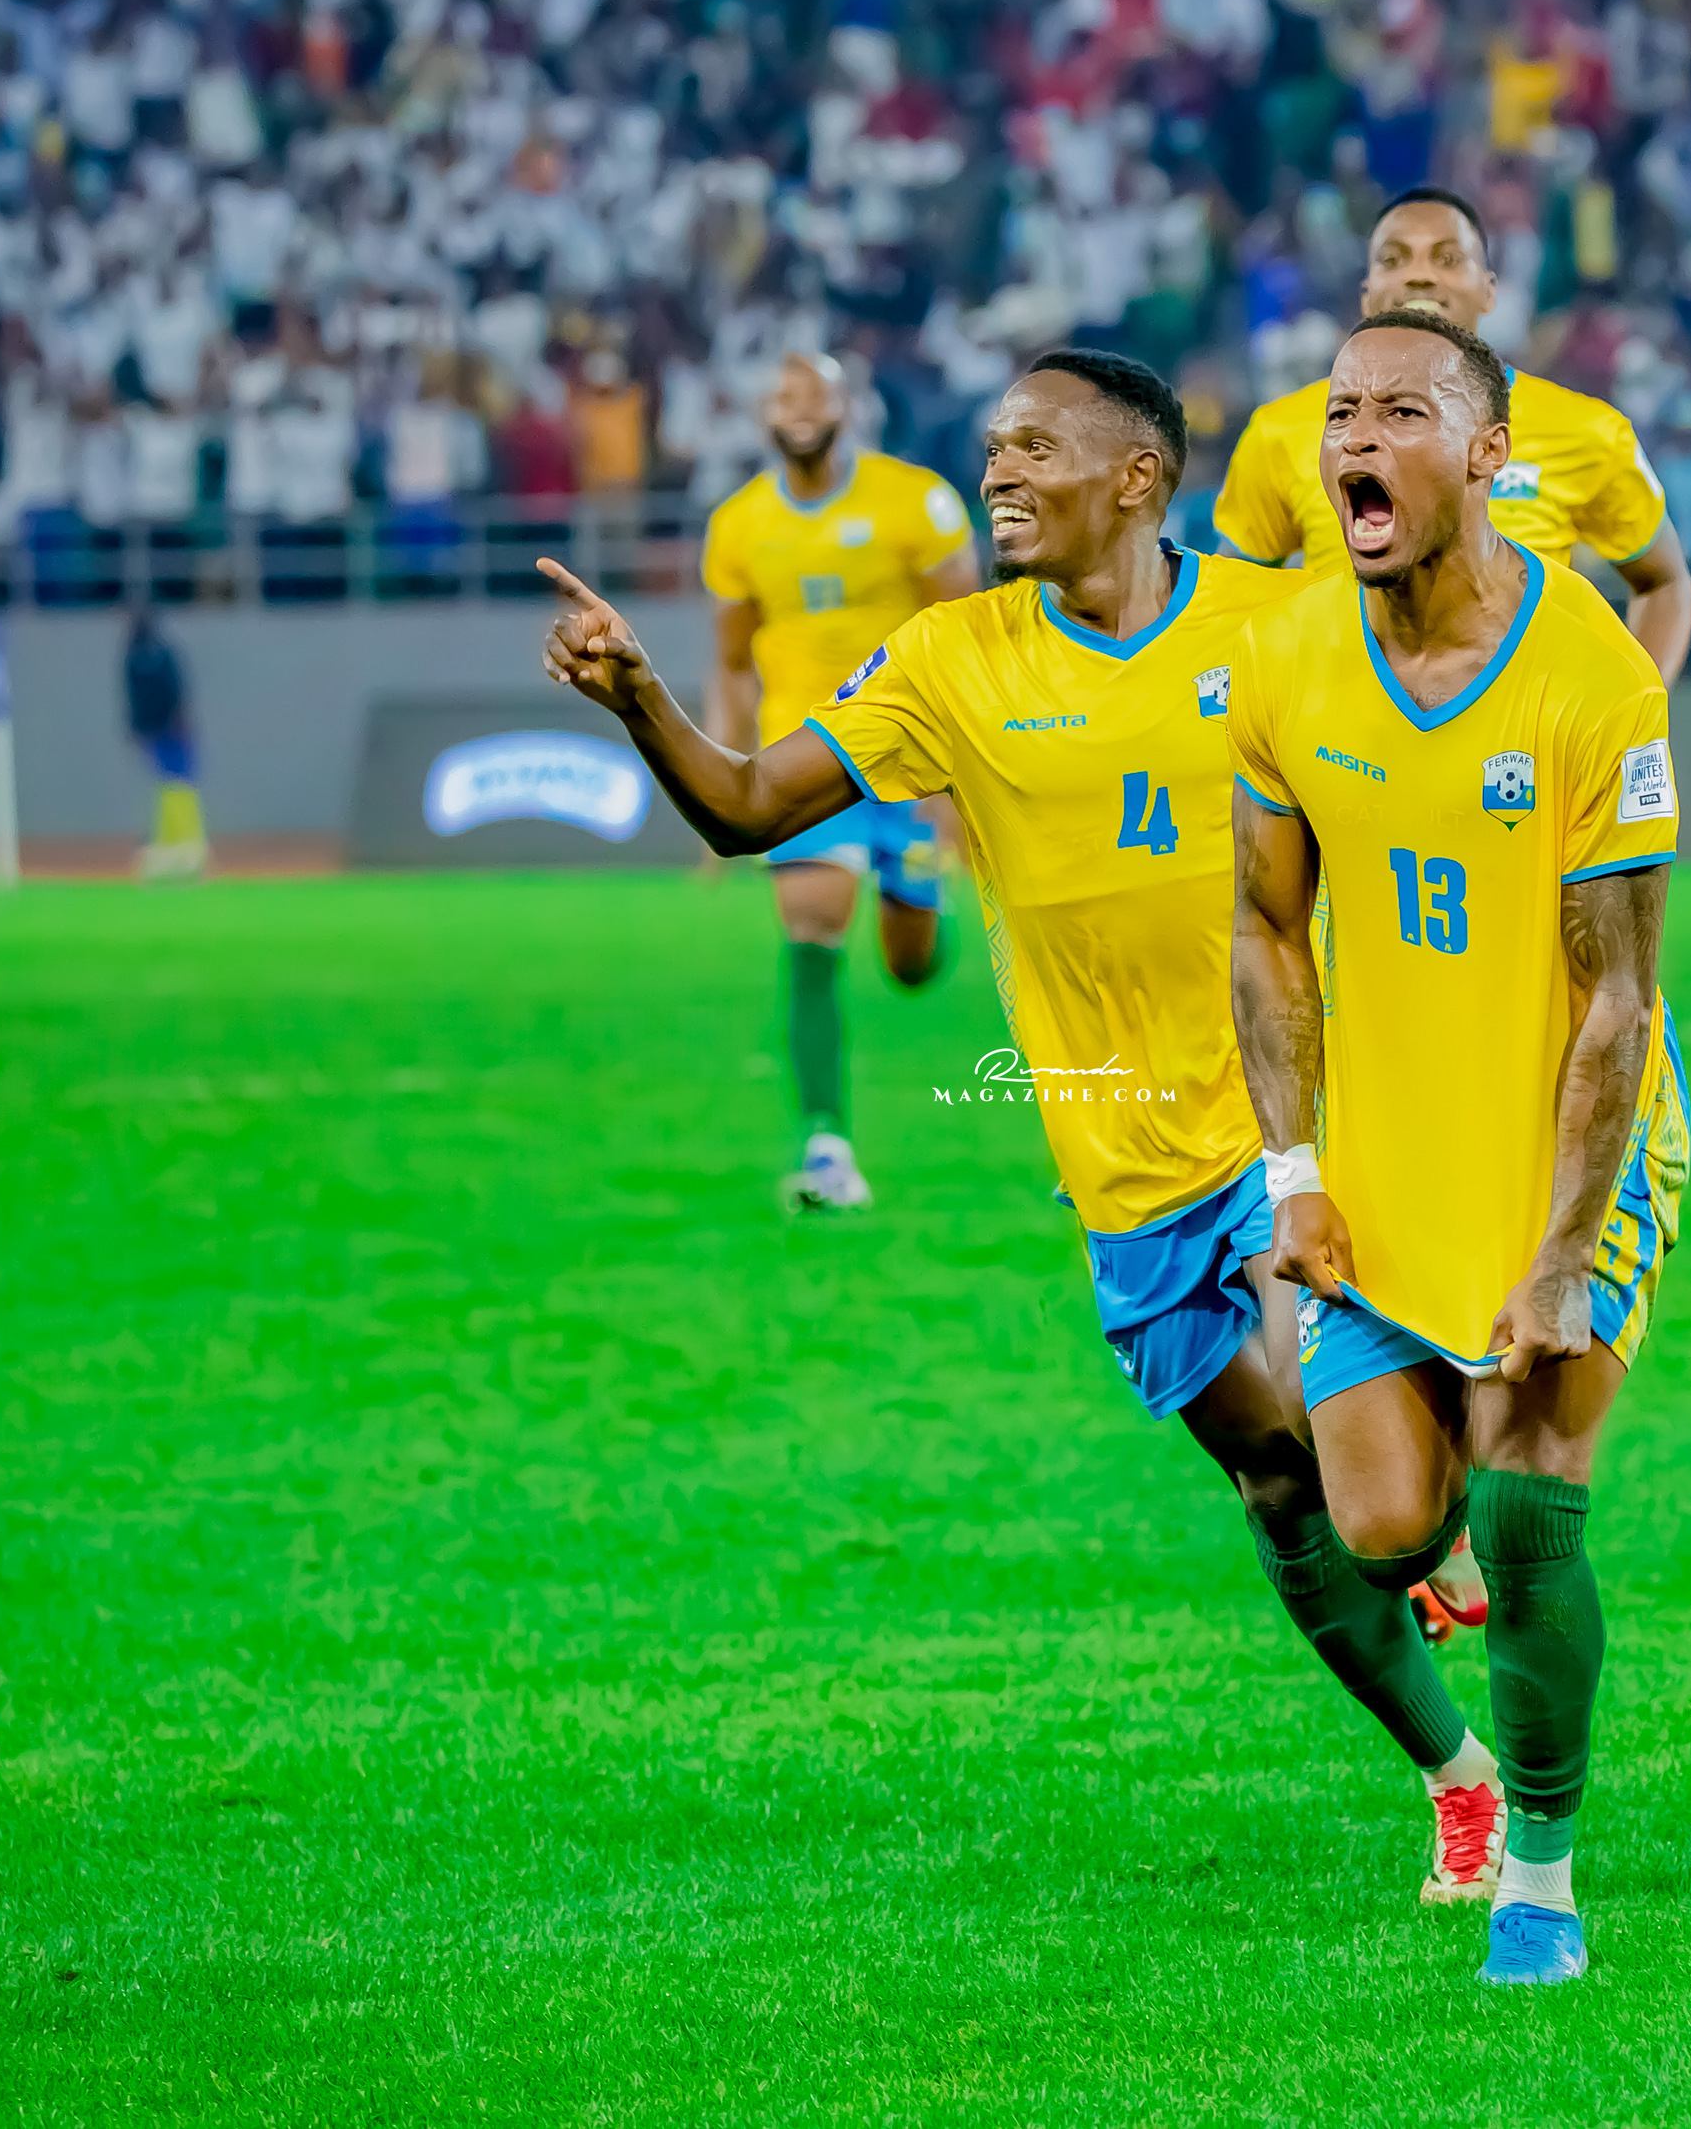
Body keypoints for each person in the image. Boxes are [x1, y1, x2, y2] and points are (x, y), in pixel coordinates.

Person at [543, 348, 1518, 1911]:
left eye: (1033, 447)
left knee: (1349, 1467)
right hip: (1117, 1163)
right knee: (1277, 1494)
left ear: (1137, 477)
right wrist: (641, 696)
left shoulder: (1283, 620)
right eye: (993, 447)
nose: (997, 471)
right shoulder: (950, 660)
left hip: (1291, 1122)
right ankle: (1455, 1777)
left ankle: (1425, 1528)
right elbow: (744, 807)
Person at [1226, 308, 1689, 1988]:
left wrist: (1561, 1256)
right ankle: (1452, 1619)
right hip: (1387, 1156)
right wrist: (1295, 1176)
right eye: (1341, 414)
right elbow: (1264, 930)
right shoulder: (1285, 655)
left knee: (1529, 1504)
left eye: (1403, 413)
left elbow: (1615, 998)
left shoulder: (1591, 673)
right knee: (1379, 1530)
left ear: (1489, 453)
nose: (1358, 440)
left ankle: (1541, 1885)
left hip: (1576, 1149)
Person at [699, 352, 985, 1212]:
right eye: (783, 395)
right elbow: (732, 665)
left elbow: (969, 638)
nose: (799, 408)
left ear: (846, 407)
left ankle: (923, 905)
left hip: (909, 754)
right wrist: (720, 775)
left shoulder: (917, 502)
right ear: (762, 414)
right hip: (801, 757)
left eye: (815, 393)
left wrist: (960, 785)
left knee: (911, 963)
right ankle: (825, 1144)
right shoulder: (738, 525)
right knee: (813, 923)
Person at [1213, 187, 1691, 683]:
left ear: (1489, 290)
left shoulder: (1587, 429)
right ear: (1366, 291)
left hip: (1522, 728)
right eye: (1393, 259)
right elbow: (1229, 598)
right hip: (1340, 729)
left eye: (1447, 258)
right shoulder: (1281, 430)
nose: (1419, 274)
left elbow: (1664, 585)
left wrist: (1638, 704)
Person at [123, 612, 208, 881]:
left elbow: (174, 690)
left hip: (167, 729)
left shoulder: (153, 657)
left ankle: (182, 844)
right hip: (159, 730)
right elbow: (136, 696)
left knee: (175, 784)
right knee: (174, 784)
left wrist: (178, 723)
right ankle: (178, 844)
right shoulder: (140, 659)